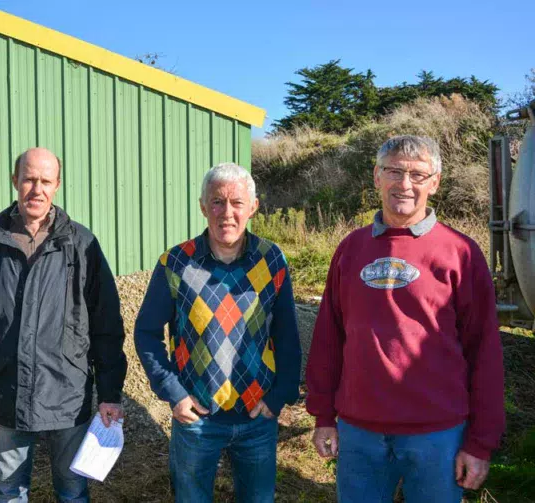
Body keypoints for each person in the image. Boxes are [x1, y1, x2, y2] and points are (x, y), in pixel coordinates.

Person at [305, 135, 505, 502]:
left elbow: (485, 352)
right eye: (394, 171)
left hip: (437, 434)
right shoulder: (351, 249)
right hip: (359, 431)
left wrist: (480, 442)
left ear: (435, 182)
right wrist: (323, 416)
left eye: (417, 174)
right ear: (376, 177)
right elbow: (329, 339)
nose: (405, 184)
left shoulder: (460, 253)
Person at [0, 147, 127, 503]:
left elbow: (106, 324)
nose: (37, 189)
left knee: (73, 491)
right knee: (10, 492)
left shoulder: (82, 245)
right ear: (14, 181)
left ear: (57, 185)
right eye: (29, 179)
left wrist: (110, 393)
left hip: (68, 397)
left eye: (46, 181)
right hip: (6, 395)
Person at [134, 162, 302, 503]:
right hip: (196, 420)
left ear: (253, 207)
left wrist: (279, 395)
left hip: (258, 417)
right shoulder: (176, 263)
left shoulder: (272, 260)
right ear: (202, 206)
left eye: (237, 202)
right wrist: (174, 393)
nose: (227, 212)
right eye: (217, 201)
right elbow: (147, 333)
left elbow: (287, 334)